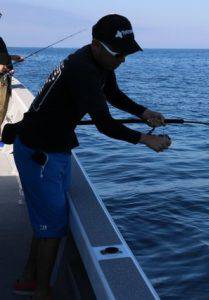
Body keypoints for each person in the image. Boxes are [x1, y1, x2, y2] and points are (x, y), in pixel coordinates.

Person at [12, 14, 171, 300]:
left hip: (53, 148)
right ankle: (42, 292)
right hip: (40, 152)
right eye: (119, 53)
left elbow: (113, 94)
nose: (122, 59)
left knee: (45, 221)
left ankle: (28, 279)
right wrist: (145, 139)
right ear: (97, 45)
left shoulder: (98, 62)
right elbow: (104, 123)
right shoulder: (82, 69)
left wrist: (144, 112)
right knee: (52, 228)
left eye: (127, 52)